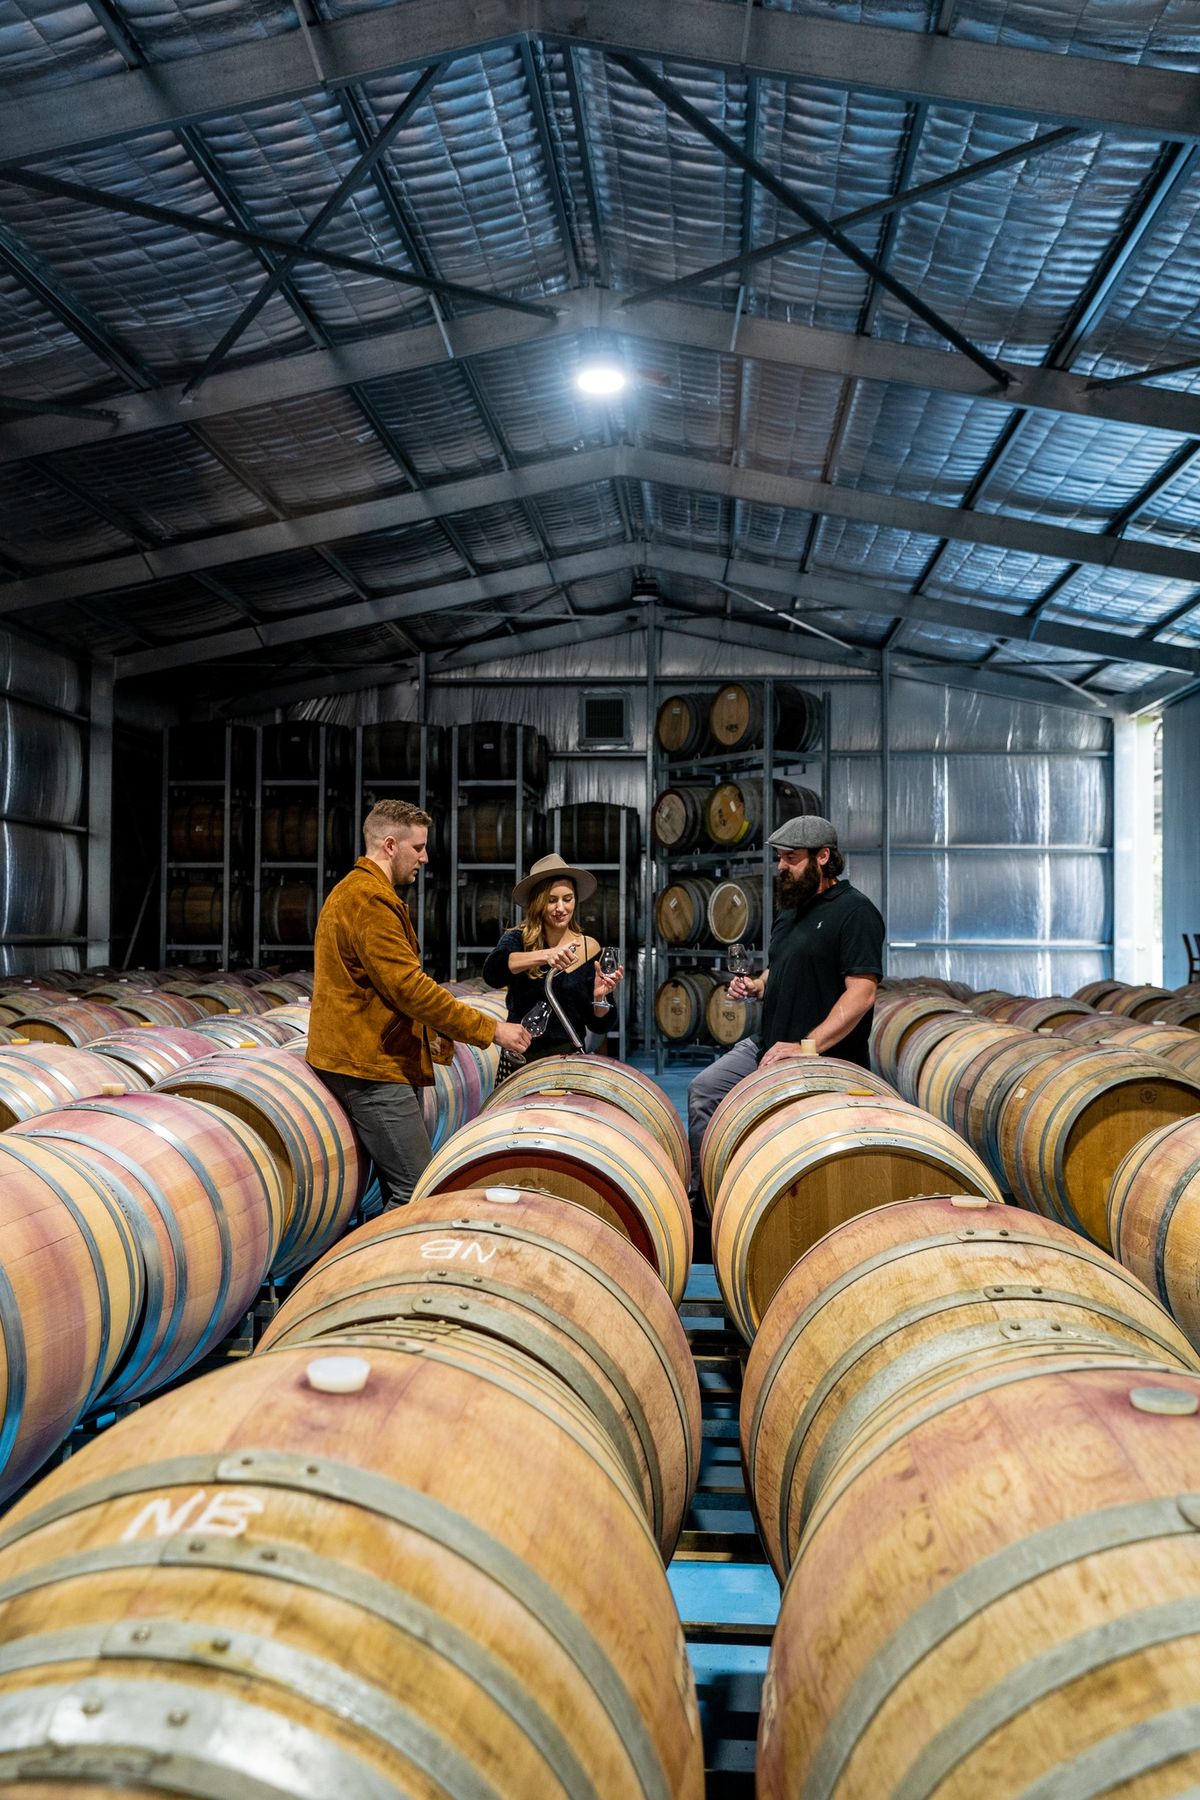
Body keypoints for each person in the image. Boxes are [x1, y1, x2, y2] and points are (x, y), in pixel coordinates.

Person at [307, 797, 531, 1207]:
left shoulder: (358, 892)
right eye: (419, 847)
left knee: (403, 1187)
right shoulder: (369, 900)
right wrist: (491, 1029)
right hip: (372, 1068)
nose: (425, 858)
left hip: (376, 1058)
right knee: (416, 1192)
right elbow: (409, 988)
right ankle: (380, 1272)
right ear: (390, 845)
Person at [686, 815, 884, 1202]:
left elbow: (861, 993)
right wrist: (758, 986)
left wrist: (806, 1046)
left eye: (791, 858)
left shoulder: (856, 912)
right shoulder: (791, 909)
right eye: (780, 858)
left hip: (824, 1057)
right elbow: (784, 963)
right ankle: (710, 1203)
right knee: (704, 1091)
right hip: (770, 1046)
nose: (782, 867)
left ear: (823, 857)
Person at [483, 853, 623, 1060]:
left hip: (566, 1056)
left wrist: (599, 996)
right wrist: (545, 955)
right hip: (521, 1056)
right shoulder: (518, 938)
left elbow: (599, 1024)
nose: (561, 908)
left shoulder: (588, 947)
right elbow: (493, 972)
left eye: (568, 899)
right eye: (551, 901)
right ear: (538, 903)